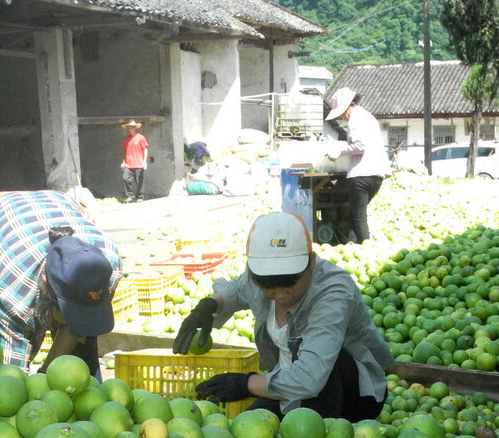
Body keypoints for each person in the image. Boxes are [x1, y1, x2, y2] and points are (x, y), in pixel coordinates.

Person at [172, 212, 394, 421]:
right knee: (247, 427)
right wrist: (209, 305)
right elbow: (239, 288)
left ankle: (323, 432)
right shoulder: (260, 276)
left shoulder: (333, 293)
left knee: (325, 355)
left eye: (289, 283)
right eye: (268, 285)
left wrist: (245, 383)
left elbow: (311, 375)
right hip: (289, 386)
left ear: (312, 263)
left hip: (353, 395)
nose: (280, 294)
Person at [0, 190, 121, 374]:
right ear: (45, 285)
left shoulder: (107, 265)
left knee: (81, 363)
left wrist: (46, 372)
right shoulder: (12, 289)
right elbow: (12, 373)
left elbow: (78, 330)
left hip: (55, 203)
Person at [324, 88, 391, 242]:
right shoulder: (368, 117)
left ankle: (366, 248)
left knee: (358, 216)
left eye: (341, 113)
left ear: (348, 107)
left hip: (362, 174)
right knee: (356, 214)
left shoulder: (355, 119)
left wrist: (340, 150)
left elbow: (359, 146)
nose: (342, 117)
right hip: (376, 175)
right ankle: (353, 243)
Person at [121, 120, 148, 202]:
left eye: (130, 127)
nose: (128, 129)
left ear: (134, 128)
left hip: (139, 163)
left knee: (139, 181)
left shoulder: (140, 137)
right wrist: (123, 162)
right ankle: (130, 196)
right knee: (125, 178)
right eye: (127, 128)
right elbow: (125, 152)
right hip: (128, 164)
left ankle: (140, 197)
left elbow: (145, 149)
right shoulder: (127, 140)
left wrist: (144, 161)